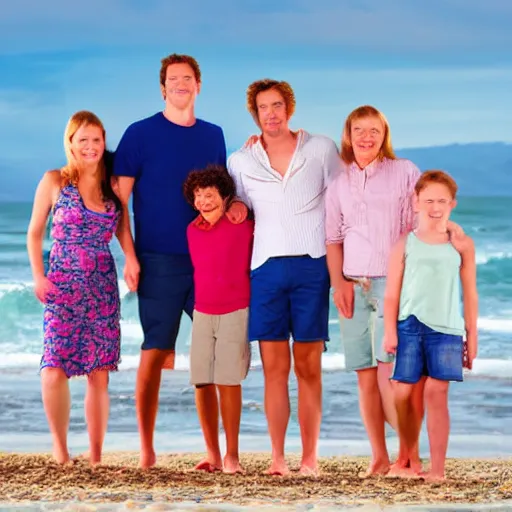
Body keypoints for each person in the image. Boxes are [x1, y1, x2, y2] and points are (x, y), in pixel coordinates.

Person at [113, 53, 246, 469]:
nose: (181, 84)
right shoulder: (139, 134)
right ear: (162, 87)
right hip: (157, 261)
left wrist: (238, 207)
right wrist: (130, 257)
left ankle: (219, 453)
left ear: (199, 85)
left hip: (210, 262)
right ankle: (148, 451)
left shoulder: (214, 135)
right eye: (174, 79)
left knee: (209, 358)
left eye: (188, 78)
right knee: (154, 352)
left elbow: (220, 193)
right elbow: (119, 204)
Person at [228, 79, 341, 476]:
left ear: (289, 109)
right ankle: (278, 458)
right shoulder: (240, 160)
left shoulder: (321, 149)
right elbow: (238, 203)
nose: (271, 113)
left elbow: (341, 201)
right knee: (274, 370)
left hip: (312, 266)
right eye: (263, 107)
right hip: (265, 270)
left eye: (277, 106)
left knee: (308, 369)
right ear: (255, 113)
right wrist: (237, 210)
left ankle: (309, 459)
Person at [27, 111, 122, 465]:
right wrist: (39, 276)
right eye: (83, 140)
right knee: (53, 368)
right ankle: (61, 450)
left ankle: (96, 455)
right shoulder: (54, 180)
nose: (91, 146)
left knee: (99, 375)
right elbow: (35, 232)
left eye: (96, 139)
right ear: (71, 143)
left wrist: (134, 261)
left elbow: (124, 229)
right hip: (61, 287)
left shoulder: (111, 185)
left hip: (101, 288)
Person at [383, 170, 478, 481]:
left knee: (437, 393)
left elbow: (470, 292)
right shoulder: (404, 243)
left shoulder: (462, 245)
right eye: (428, 200)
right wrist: (389, 331)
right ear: (416, 202)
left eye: (441, 201)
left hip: (447, 330)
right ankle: (409, 459)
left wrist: (471, 336)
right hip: (409, 326)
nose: (434, 207)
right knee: (402, 392)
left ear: (452, 203)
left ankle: (438, 470)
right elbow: (392, 293)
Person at [183, 165, 253, 474]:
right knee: (202, 380)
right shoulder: (191, 230)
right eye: (198, 196)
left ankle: (232, 456)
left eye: (209, 195)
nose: (203, 201)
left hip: (236, 310)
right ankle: (212, 454)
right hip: (202, 312)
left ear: (224, 196)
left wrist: (240, 205)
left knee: (228, 380)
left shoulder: (243, 225)